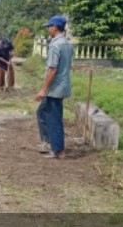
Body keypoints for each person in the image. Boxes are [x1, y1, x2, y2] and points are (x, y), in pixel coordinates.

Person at [35, 15, 74, 159]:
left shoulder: (55, 45)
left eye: (49, 27)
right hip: (61, 85)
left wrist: (44, 88)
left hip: (54, 88)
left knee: (54, 118)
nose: (48, 29)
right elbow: (69, 65)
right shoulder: (67, 44)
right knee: (42, 112)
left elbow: (53, 69)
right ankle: (48, 142)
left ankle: (58, 150)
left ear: (55, 27)